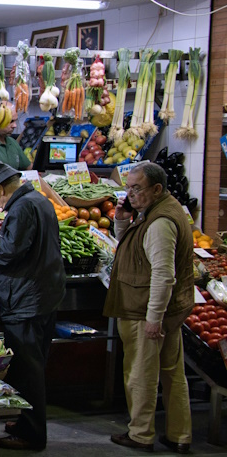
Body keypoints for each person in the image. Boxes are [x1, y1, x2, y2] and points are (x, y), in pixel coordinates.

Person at [104, 162, 193, 454]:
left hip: (145, 311)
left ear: (156, 189)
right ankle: (180, 435)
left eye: (136, 189)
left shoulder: (160, 222)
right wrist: (122, 219)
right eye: (127, 188)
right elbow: (131, 247)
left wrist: (154, 318)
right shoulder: (160, 210)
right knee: (171, 371)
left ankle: (141, 434)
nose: (130, 194)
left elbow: (163, 274)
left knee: (140, 374)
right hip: (165, 309)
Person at [0, 161, 65, 450]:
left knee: (30, 369)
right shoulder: (39, 200)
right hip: (44, 294)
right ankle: (27, 421)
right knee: (34, 363)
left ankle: (32, 435)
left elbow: (8, 252)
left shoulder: (21, 208)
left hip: (26, 297)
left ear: (1, 189)